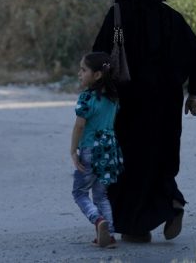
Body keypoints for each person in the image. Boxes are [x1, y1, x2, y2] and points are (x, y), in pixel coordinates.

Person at [91, 0, 196, 243]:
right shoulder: (170, 17)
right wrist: (192, 91)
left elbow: (98, 57)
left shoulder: (117, 15)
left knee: (128, 161)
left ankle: (136, 227)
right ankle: (172, 200)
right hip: (165, 103)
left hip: (126, 103)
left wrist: (95, 96)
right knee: (159, 155)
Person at [70, 51, 122, 249]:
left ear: (97, 75)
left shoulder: (86, 98)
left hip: (91, 149)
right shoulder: (113, 98)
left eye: (83, 70)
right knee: (101, 195)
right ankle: (109, 236)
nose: (79, 73)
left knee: (79, 192)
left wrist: (73, 151)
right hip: (109, 151)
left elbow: (79, 126)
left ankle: (98, 219)